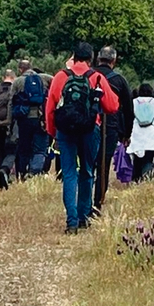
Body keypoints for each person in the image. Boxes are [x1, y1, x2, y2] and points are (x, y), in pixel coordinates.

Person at [45, 42, 120, 234]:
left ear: (73, 56)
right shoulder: (96, 77)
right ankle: (83, 217)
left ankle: (71, 221)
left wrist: (53, 132)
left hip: (65, 131)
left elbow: (50, 108)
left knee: (69, 173)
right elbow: (112, 106)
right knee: (87, 171)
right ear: (91, 59)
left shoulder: (60, 77)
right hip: (89, 129)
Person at [91, 46, 133, 215]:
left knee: (88, 164)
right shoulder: (120, 80)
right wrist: (126, 134)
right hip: (111, 127)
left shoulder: (89, 76)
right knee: (103, 165)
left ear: (98, 59)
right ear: (114, 61)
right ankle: (97, 202)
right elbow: (129, 111)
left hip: (88, 124)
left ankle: (84, 202)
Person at [11, 59, 52, 179]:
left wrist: (10, 122)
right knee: (40, 149)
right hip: (41, 119)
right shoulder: (44, 78)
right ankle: (34, 172)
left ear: (20, 69)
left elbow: (10, 102)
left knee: (24, 148)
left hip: (24, 119)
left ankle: (23, 173)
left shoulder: (18, 82)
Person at [128, 82, 154, 182]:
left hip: (136, 134)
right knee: (149, 159)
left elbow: (128, 117)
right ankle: (146, 179)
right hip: (151, 134)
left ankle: (135, 180)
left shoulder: (133, 101)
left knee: (137, 160)